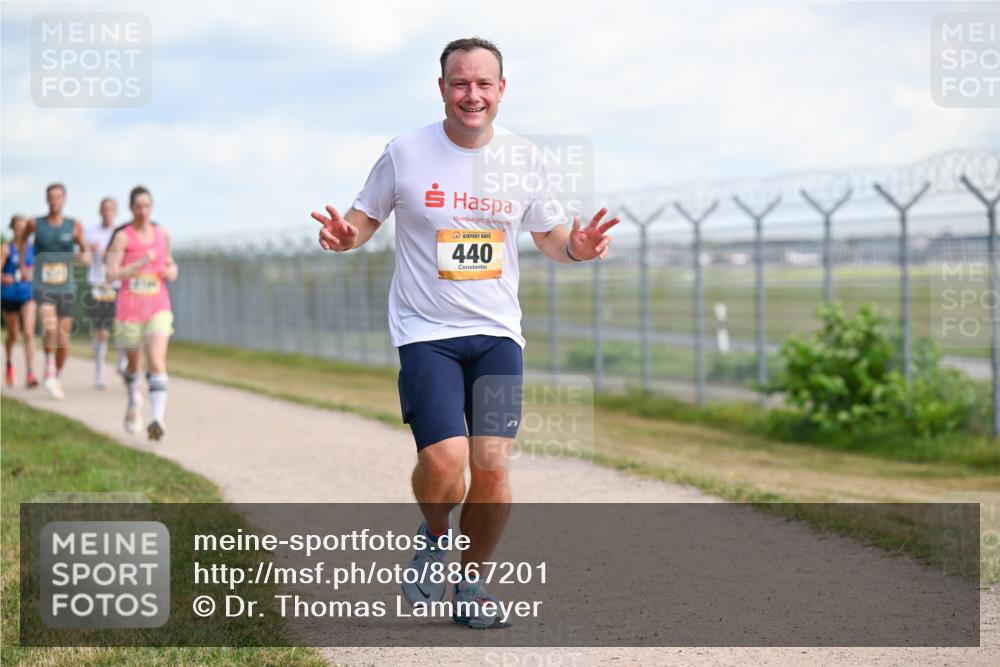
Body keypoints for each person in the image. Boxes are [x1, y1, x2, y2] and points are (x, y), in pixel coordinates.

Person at [312, 37, 617, 629]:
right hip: (426, 330)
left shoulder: (525, 158)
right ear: (442, 88)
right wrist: (344, 236)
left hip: (498, 333)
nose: (470, 94)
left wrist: (575, 251)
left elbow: (552, 236)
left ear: (501, 90)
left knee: (494, 465)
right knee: (447, 461)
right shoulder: (405, 152)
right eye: (459, 83)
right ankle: (432, 536)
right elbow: (364, 218)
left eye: (483, 84)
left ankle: (472, 584)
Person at [104, 185, 178, 441]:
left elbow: (169, 262)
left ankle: (157, 418)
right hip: (130, 309)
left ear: (152, 207)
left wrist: (171, 270)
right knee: (134, 365)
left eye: (147, 206)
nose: (143, 211)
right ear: (131, 208)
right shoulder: (123, 237)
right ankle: (134, 399)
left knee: (157, 360)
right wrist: (139, 263)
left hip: (158, 305)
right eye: (138, 206)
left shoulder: (162, 233)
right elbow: (110, 274)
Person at [16, 183, 91, 400]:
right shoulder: (35, 223)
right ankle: (48, 368)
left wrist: (85, 257)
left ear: (64, 199)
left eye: (58, 197)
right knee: (49, 326)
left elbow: (84, 250)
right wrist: (23, 264)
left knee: (64, 340)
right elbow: (21, 240)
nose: (54, 201)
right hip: (43, 284)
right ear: (46, 199)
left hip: (66, 286)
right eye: (51, 197)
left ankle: (56, 375)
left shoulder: (74, 225)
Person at [84, 197, 127, 389]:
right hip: (97, 284)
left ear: (116, 211)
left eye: (110, 209)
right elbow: (82, 257)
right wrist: (91, 254)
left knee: (120, 326)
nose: (107, 212)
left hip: (117, 284)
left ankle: (122, 362)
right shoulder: (90, 233)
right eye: (104, 209)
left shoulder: (121, 233)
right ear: (99, 211)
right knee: (101, 330)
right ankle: (99, 373)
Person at [1, 216, 39, 388]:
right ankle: (9, 363)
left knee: (29, 333)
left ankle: (30, 372)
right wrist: (4, 276)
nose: (21, 231)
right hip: (9, 296)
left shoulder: (34, 249)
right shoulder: (6, 248)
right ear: (13, 228)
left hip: (28, 296)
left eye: (25, 228)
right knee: (14, 335)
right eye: (18, 227)